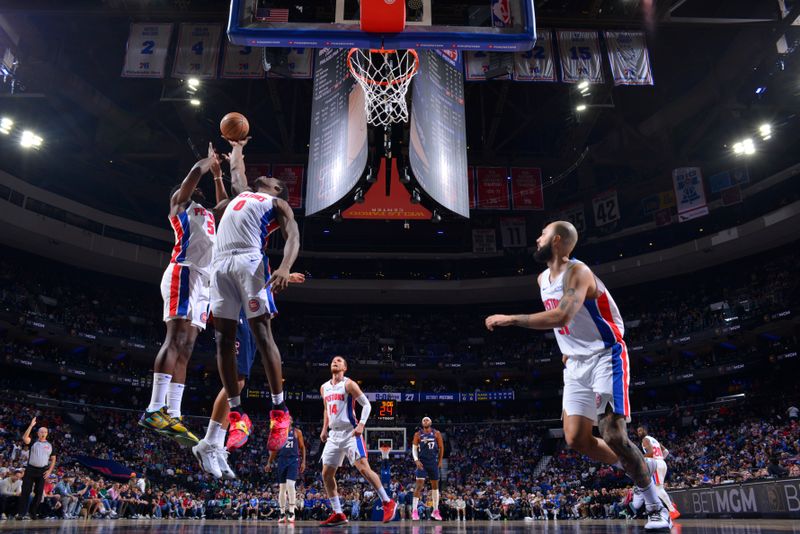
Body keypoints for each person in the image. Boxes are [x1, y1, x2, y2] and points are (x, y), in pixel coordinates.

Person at [485, 221, 671, 530]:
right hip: (574, 364)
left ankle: (655, 504)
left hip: (605, 356)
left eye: (541, 234)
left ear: (556, 241)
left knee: (612, 433)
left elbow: (563, 315)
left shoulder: (579, 272)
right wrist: (568, 346)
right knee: (575, 438)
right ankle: (643, 465)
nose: (536, 238)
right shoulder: (542, 278)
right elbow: (565, 325)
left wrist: (512, 319)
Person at [209, 138, 300, 452]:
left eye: (275, 180)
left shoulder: (277, 204)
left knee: (262, 333)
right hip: (219, 264)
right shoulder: (245, 193)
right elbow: (237, 173)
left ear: (277, 190)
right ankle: (236, 415)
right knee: (223, 340)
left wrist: (286, 267)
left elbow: (293, 236)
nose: (270, 176)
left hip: (249, 260)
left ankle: (279, 411)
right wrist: (236, 147)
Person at [139, 144, 224, 446]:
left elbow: (225, 204)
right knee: (174, 340)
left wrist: (217, 175)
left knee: (187, 348)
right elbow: (191, 176)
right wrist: (206, 162)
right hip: (183, 272)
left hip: (205, 284)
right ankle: (153, 408)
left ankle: (173, 412)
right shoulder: (180, 205)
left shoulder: (211, 215)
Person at [318, 356, 397, 526]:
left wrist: (361, 425)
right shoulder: (324, 387)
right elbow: (326, 410)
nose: (335, 362)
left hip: (350, 433)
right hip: (333, 434)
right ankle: (338, 513)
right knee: (326, 474)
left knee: (363, 469)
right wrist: (324, 429)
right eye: (333, 360)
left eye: (339, 361)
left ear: (345, 367)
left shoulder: (349, 384)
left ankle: (387, 501)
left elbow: (367, 405)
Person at [266, 417, 306, 524]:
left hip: (293, 460)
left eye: (288, 419)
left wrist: (303, 462)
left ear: (291, 421)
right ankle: (282, 512)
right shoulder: (279, 433)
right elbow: (274, 450)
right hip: (282, 460)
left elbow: (302, 448)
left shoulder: (297, 432)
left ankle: (292, 511)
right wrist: (269, 462)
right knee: (282, 488)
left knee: (290, 485)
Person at [636, 425, 679, 520]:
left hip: (656, 464)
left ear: (645, 431)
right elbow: (666, 451)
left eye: (640, 430)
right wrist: (660, 459)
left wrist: (640, 459)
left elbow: (650, 453)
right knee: (660, 488)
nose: (639, 433)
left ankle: (672, 510)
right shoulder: (653, 439)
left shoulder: (645, 440)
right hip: (662, 463)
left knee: (657, 489)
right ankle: (671, 504)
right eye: (637, 431)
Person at [17, 417, 56, 520]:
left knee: (39, 493)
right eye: (41, 431)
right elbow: (25, 438)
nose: (43, 433)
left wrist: (49, 471)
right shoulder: (33, 442)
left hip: (42, 471)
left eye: (45, 432)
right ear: (38, 433)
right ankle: (21, 513)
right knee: (26, 491)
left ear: (47, 434)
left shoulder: (50, 445)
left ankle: (32, 512)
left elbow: (53, 459)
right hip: (30, 469)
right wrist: (31, 426)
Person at [411, 417, 444, 521]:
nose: (425, 421)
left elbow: (441, 447)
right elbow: (414, 449)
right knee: (419, 486)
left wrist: (440, 461)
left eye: (427, 420)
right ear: (421, 423)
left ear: (431, 422)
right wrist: (416, 460)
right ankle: (414, 511)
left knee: (435, 487)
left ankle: (435, 511)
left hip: (433, 462)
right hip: (422, 462)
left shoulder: (436, 433)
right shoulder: (417, 434)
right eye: (424, 420)